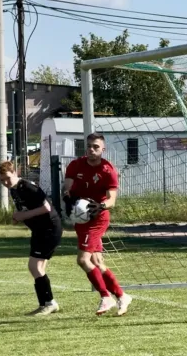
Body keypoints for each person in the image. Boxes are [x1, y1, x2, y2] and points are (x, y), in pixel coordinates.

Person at [63, 132, 132, 316]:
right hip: (81, 218)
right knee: (97, 261)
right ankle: (122, 295)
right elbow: (67, 187)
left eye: (96, 147)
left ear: (103, 149)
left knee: (83, 260)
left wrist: (100, 206)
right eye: (89, 146)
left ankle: (105, 296)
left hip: (98, 218)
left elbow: (112, 201)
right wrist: (68, 196)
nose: (92, 150)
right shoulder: (75, 165)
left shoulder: (108, 170)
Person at [0, 161, 62, 316]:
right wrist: (18, 217)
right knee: (38, 268)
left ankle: (50, 303)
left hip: (49, 229)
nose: (5, 182)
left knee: (34, 267)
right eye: (1, 180)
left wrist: (22, 215)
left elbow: (46, 208)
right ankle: (44, 304)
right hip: (39, 231)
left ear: (15, 173)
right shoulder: (14, 189)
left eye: (7, 178)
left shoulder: (27, 187)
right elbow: (26, 209)